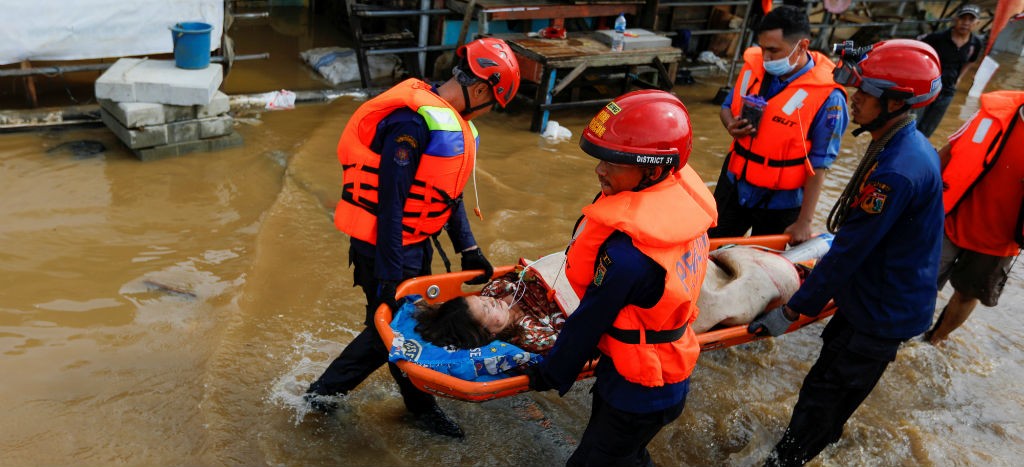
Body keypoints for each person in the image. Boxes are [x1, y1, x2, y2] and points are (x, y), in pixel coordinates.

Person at [302, 37, 520, 439]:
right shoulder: (411, 123)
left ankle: (351, 400)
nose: (488, 113)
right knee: (393, 329)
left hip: (412, 245)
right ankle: (326, 397)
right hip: (383, 246)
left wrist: (468, 247)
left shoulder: (449, 122)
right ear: (480, 89)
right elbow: (391, 204)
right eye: (493, 104)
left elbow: (444, 193)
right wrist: (388, 275)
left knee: (393, 327)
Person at [747, 39, 944, 466]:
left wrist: (791, 311)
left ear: (895, 102)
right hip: (874, 295)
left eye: (865, 93)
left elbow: (849, 251)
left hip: (880, 311)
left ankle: (786, 461)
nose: (853, 98)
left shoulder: (895, 171)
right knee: (828, 390)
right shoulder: (900, 144)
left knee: (823, 398)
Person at [525, 90, 718, 466]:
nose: (600, 169)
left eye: (614, 162)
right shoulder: (681, 215)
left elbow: (588, 323)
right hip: (661, 374)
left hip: (640, 390)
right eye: (601, 158)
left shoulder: (629, 256)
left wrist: (548, 373)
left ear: (653, 170)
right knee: (627, 455)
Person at [710, 5, 848, 244]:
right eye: (762, 48)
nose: (766, 58)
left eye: (773, 50)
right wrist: (731, 124)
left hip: (781, 201)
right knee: (707, 250)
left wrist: (804, 222)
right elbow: (726, 107)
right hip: (734, 184)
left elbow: (820, 164)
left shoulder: (829, 97)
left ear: (802, 46)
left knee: (762, 266)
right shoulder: (754, 68)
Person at [925, 90, 1024, 345]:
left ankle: (935, 340)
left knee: (968, 295)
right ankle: (896, 332)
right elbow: (950, 149)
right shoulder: (995, 111)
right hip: (952, 216)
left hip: (999, 240)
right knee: (919, 280)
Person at [414, 269, 568, 354]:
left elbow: (517, 272)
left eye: (480, 299)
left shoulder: (493, 291)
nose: (489, 301)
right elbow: (573, 337)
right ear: (489, 332)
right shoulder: (530, 337)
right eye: (486, 309)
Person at [914, 4, 984, 138]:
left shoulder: (975, 44)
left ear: (977, 23)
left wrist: (959, 78)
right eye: (963, 18)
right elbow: (917, 48)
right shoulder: (937, 38)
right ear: (955, 19)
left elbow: (971, 61)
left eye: (971, 19)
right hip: (927, 87)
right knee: (911, 124)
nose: (966, 23)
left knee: (927, 130)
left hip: (947, 90)